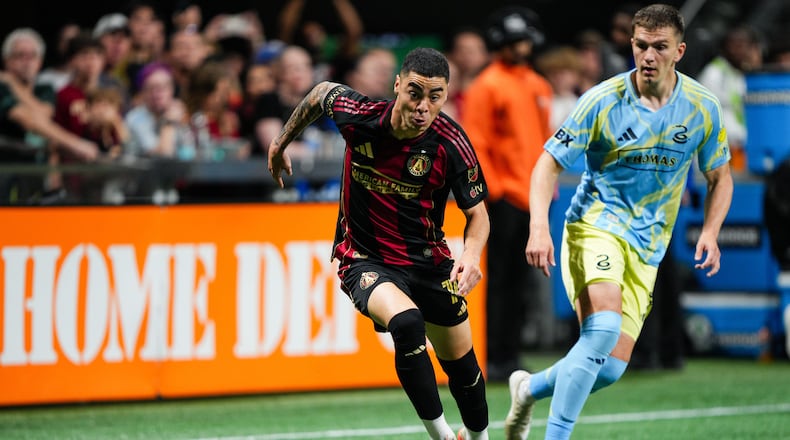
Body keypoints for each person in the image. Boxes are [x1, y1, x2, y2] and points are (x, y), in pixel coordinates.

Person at [503, 5, 734, 439]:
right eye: (641, 45)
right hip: (595, 226)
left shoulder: (701, 107)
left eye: (659, 47)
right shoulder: (602, 101)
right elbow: (547, 164)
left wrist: (710, 231)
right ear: (632, 45)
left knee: (606, 369)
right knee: (603, 327)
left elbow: (720, 177)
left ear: (679, 51)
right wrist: (539, 226)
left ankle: (529, 388)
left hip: (648, 246)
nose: (648, 56)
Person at [267, 47, 491, 440]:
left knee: (464, 371)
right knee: (407, 324)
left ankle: (478, 438)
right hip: (364, 258)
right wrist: (281, 142)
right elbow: (321, 92)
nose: (423, 106)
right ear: (398, 86)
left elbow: (478, 214)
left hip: (428, 261)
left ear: (446, 96)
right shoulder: (360, 116)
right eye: (415, 93)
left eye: (435, 96)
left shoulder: (451, 143)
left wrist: (471, 254)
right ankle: (441, 437)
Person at [462, 5, 553, 381]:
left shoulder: (537, 85)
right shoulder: (488, 85)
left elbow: (547, 142)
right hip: (503, 199)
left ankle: (511, 354)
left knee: (519, 283)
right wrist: (492, 192)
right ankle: (495, 357)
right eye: (514, 41)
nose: (521, 47)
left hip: (533, 198)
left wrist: (545, 193)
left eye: (524, 40)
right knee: (498, 282)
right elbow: (476, 142)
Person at [0, 27, 98, 203]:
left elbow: (42, 119)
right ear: (6, 60)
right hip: (5, 174)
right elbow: (28, 121)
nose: (26, 61)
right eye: (19, 55)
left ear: (40, 61)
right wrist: (75, 144)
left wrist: (13, 84)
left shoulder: (45, 89)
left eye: (32, 56)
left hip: (36, 177)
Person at [697, 24, 763, 172]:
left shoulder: (738, 73)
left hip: (738, 150)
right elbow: (703, 114)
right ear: (724, 47)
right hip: (720, 153)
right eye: (735, 45)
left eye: (744, 46)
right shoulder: (713, 73)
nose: (740, 51)